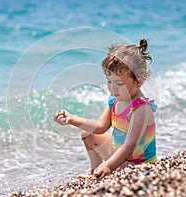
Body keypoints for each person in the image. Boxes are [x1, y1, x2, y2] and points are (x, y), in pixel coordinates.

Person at [53, 39, 157, 179]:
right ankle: (95, 171)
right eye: (109, 81)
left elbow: (129, 145)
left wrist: (108, 166)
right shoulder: (115, 100)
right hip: (118, 156)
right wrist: (72, 119)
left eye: (119, 83)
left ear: (139, 81)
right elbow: (100, 127)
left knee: (123, 168)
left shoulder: (141, 109)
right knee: (88, 134)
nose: (112, 88)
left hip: (138, 163)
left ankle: (103, 171)